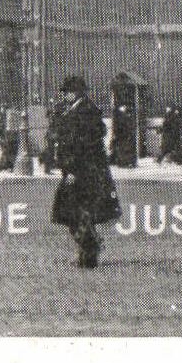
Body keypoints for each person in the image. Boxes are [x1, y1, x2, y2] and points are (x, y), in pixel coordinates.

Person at [50, 76, 120, 268]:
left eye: (67, 92)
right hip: (83, 170)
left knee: (76, 213)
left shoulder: (85, 112)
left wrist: (72, 169)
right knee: (75, 213)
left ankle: (90, 251)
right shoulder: (77, 110)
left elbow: (82, 145)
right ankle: (88, 251)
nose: (64, 96)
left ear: (75, 92)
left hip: (82, 172)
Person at [110, 101, 139, 167]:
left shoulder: (119, 114)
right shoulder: (126, 114)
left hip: (123, 135)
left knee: (123, 149)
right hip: (124, 135)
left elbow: (117, 125)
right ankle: (126, 162)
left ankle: (124, 162)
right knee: (124, 149)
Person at [0, 105, 19, 171]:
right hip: (10, 133)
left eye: (2, 109)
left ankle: (5, 166)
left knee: (8, 151)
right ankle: (6, 166)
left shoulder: (11, 114)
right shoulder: (11, 114)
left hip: (11, 133)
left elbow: (9, 125)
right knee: (8, 151)